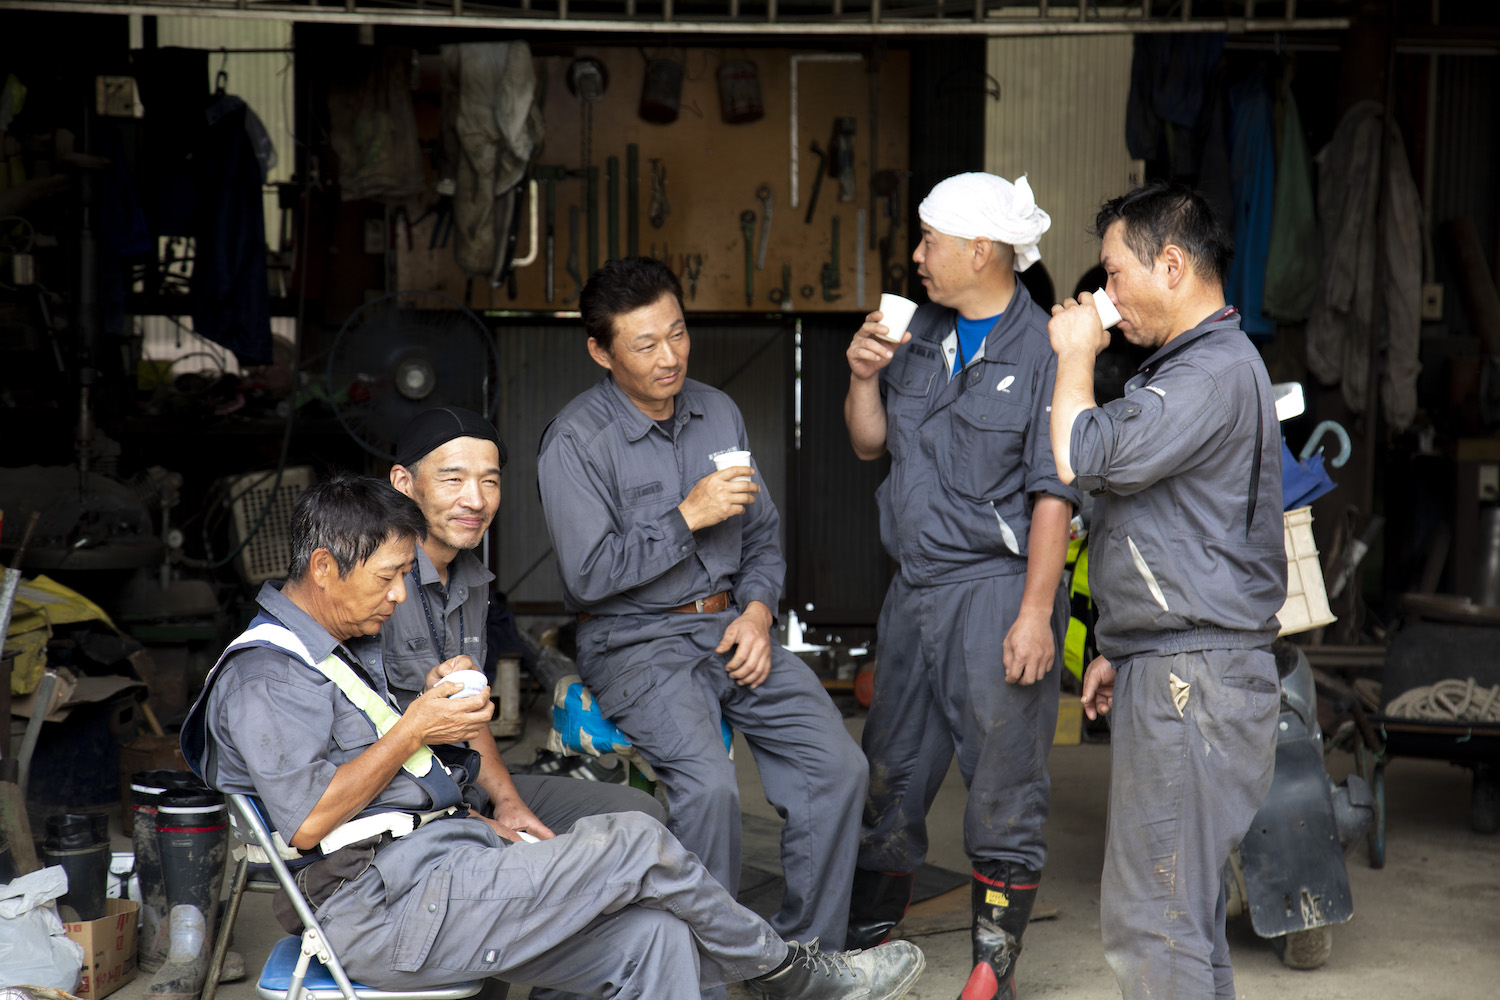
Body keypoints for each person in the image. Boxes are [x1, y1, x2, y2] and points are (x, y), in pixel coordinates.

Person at [180, 473, 926, 1000]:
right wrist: (416, 723)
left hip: (436, 872)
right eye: (388, 577)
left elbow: (393, 788)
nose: (401, 595)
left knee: (655, 940)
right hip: (382, 911)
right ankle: (791, 976)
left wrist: (459, 775)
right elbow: (311, 820)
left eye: (408, 574)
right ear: (321, 567)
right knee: (634, 844)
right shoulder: (265, 677)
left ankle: (783, 976)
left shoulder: (336, 648)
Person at [537, 257, 868, 959]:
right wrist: (685, 517)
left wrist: (755, 611)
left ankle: (803, 959)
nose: (669, 358)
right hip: (634, 641)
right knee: (710, 790)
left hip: (729, 626)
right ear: (601, 351)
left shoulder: (717, 410)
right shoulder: (576, 442)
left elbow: (764, 537)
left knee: (838, 768)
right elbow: (588, 577)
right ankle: (704, 974)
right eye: (645, 344)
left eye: (678, 334)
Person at [1045, 181, 1286, 1000]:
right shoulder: (1195, 368)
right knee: (1182, 918)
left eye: (1114, 275)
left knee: (1156, 924)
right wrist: (1122, 647)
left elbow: (1085, 455)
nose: (1105, 295)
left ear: (1172, 265)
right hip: (1181, 665)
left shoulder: (1208, 373)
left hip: (1195, 679)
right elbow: (1166, 524)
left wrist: (1075, 353)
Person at [841, 172, 1078, 1000]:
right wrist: (862, 375)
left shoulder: (1046, 348)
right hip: (913, 592)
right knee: (891, 772)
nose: (916, 256)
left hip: (994, 590)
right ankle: (863, 948)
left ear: (982, 250)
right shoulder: (917, 332)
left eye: (929, 240)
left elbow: (1056, 493)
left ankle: (991, 973)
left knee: (1003, 781)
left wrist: (1037, 615)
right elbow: (872, 446)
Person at [385, 405, 665, 847]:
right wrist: (470, 818)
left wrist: (509, 801)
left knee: (642, 813)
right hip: (404, 804)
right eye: (453, 479)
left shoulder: (472, 581)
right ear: (404, 483)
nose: (475, 500)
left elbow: (469, 717)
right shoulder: (374, 581)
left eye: (490, 481)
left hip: (463, 781)